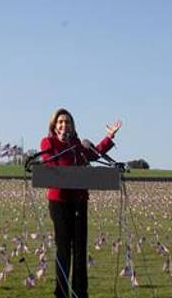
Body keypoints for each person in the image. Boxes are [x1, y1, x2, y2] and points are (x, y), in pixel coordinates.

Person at [40, 108, 121, 298]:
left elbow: (93, 154)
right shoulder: (48, 142)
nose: (64, 125)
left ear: (72, 126)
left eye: (67, 122)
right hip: (59, 202)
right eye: (60, 122)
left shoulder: (77, 144)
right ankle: (61, 293)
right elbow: (48, 164)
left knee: (80, 249)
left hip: (79, 201)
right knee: (64, 249)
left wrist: (108, 137)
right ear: (54, 125)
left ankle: (80, 292)